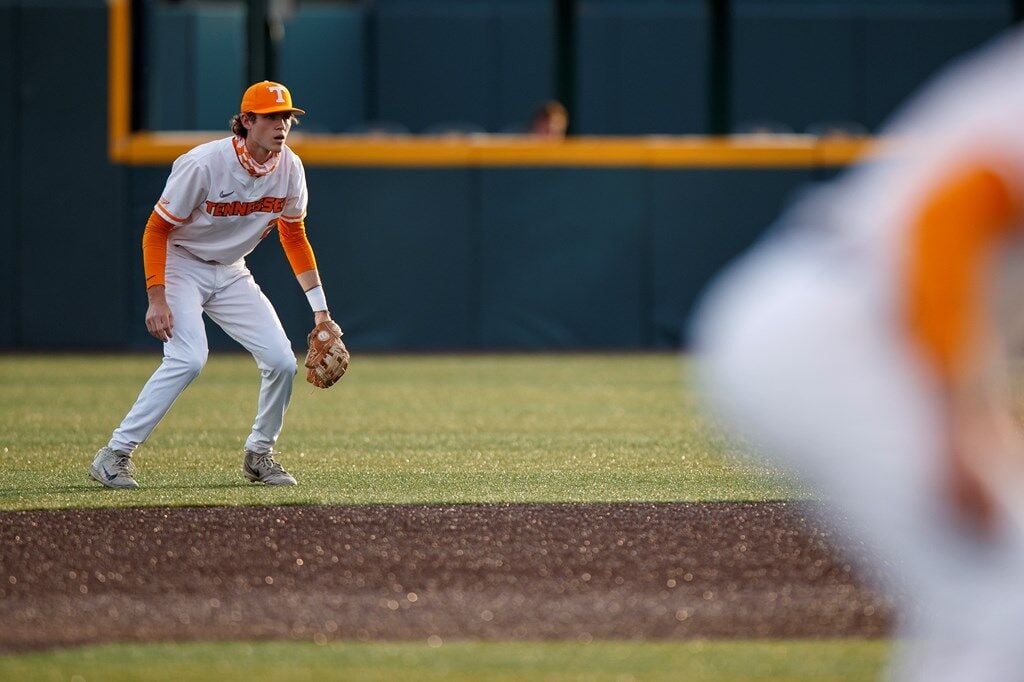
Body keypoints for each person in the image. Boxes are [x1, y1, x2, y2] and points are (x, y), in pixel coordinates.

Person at [693, 29, 1024, 682]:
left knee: (988, 605)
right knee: (999, 600)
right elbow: (948, 218)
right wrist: (957, 417)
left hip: (841, 319)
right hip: (838, 328)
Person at [91, 80, 336, 489]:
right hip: (181, 263)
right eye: (271, 117)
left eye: (287, 117)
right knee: (188, 358)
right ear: (245, 121)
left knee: (280, 361)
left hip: (230, 269)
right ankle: (114, 454)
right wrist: (157, 297)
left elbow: (293, 235)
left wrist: (321, 311)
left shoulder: (290, 167)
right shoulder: (204, 163)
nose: (282, 125)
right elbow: (156, 230)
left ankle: (259, 455)